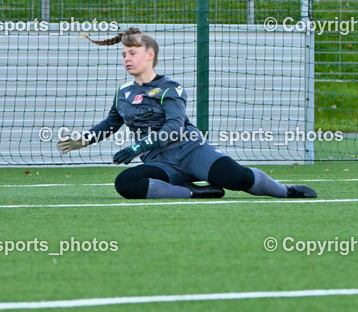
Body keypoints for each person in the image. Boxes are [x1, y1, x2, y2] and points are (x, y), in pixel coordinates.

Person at [56, 27, 317, 200]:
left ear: (150, 55)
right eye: (124, 54)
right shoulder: (123, 92)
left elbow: (175, 127)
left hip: (193, 152)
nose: (126, 58)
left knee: (238, 178)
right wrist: (86, 139)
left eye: (132, 53)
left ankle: (287, 191)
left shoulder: (170, 87)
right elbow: (112, 123)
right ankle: (191, 191)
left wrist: (138, 147)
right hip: (161, 161)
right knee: (126, 183)